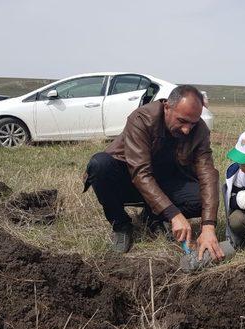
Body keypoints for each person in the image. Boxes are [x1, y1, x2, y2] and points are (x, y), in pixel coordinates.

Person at [84, 85, 224, 261]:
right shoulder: (142, 118)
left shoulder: (199, 130)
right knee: (100, 165)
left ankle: (152, 217)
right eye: (182, 121)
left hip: (166, 181)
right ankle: (121, 225)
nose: (187, 129)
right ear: (167, 107)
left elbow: (208, 173)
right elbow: (140, 172)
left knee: (201, 198)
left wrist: (208, 226)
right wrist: (174, 214)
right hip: (131, 179)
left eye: (192, 123)